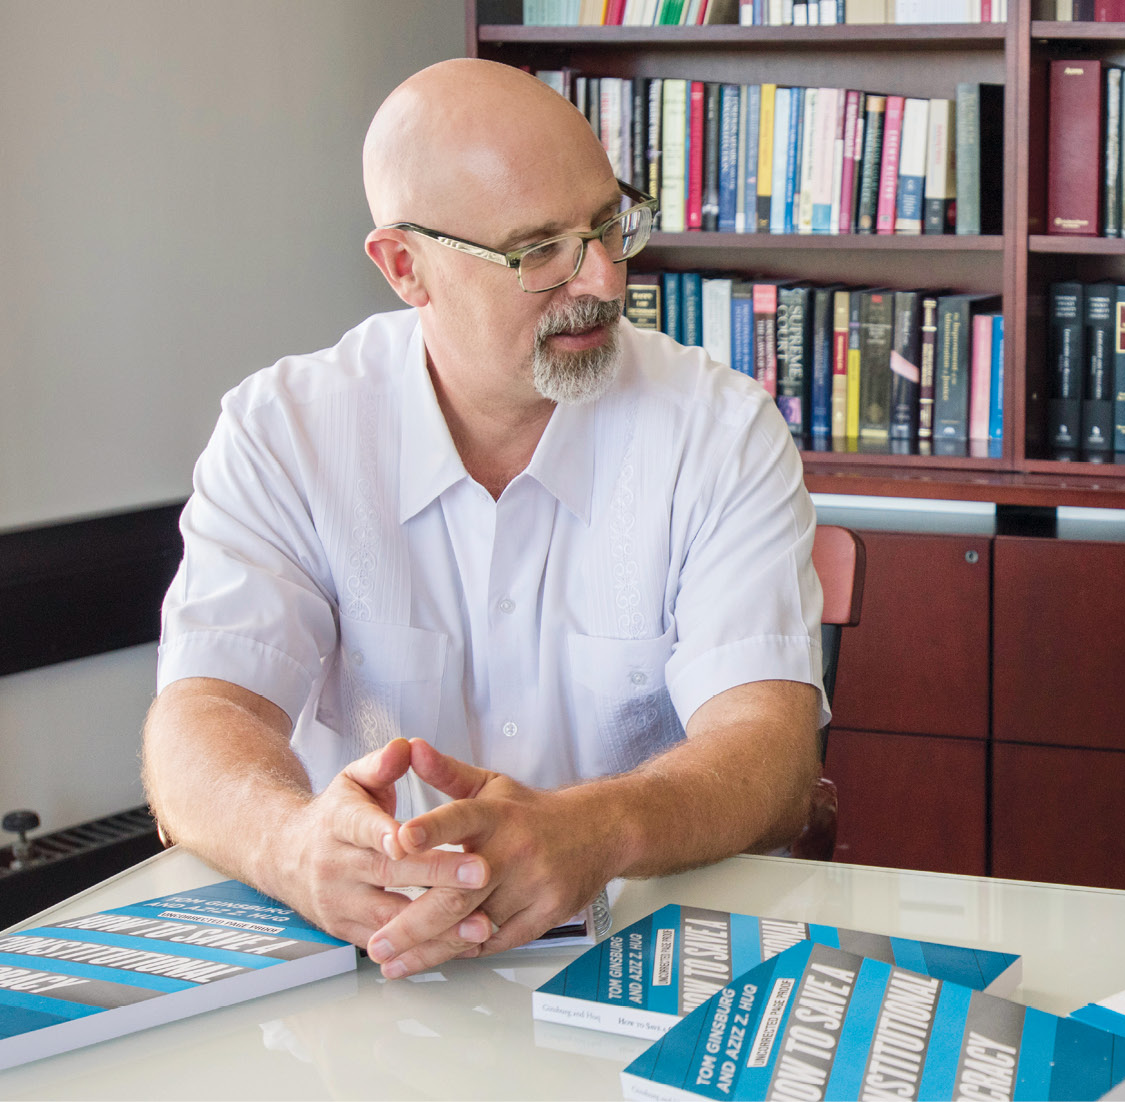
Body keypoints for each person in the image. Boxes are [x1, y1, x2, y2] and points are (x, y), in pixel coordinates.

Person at [140, 59, 826, 980]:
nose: (602, 281)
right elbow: (202, 716)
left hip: (652, 953)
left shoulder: (719, 430)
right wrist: (293, 846)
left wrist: (595, 830)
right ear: (404, 266)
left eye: (608, 227)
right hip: (369, 973)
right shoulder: (286, 431)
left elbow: (772, 755)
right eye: (538, 250)